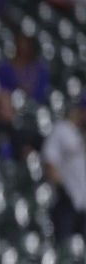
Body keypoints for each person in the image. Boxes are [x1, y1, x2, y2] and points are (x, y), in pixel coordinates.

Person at [42, 100, 86, 241]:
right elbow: (49, 161)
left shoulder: (79, 134)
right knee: (65, 249)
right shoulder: (61, 130)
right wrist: (61, 189)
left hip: (82, 202)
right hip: (66, 202)